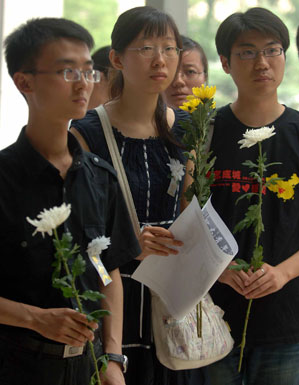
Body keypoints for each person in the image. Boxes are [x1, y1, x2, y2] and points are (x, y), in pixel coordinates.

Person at [71, 6, 207, 385]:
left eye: (169, 48)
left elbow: (188, 209)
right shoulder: (86, 133)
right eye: (146, 48)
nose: (160, 60)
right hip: (113, 296)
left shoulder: (185, 130)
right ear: (117, 58)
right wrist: (128, 245)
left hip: (173, 299)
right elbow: (79, 237)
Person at [0, 17, 141, 385]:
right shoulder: (4, 179)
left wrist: (113, 356)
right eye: (66, 71)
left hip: (88, 367)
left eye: (88, 71)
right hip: (16, 366)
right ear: (24, 81)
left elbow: (109, 271)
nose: (83, 83)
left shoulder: (100, 177)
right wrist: (34, 318)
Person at [197, 7, 299, 385]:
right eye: (247, 52)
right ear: (225, 62)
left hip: (286, 323)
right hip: (213, 320)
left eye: (273, 50)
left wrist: (283, 273)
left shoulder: (298, 132)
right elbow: (185, 219)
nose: (263, 63)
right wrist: (219, 270)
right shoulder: (204, 133)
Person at [163, 35, 208, 109]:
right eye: (170, 71)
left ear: (205, 77)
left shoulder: (220, 119)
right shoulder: (140, 119)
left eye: (190, 71)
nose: (178, 81)